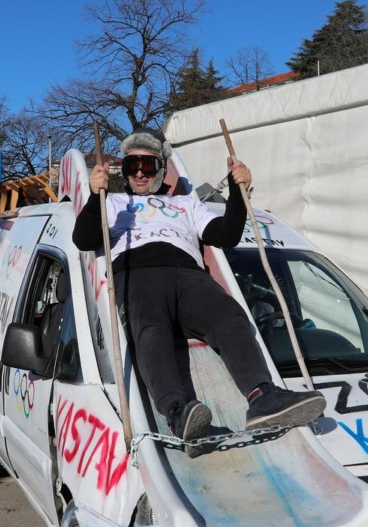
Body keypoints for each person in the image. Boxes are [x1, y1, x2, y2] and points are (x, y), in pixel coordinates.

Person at [72, 129, 325, 456]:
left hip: (188, 274)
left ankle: (262, 397)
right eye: (132, 164)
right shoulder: (114, 202)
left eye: (147, 166)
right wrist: (95, 197)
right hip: (137, 271)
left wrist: (237, 191)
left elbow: (227, 234)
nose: (138, 172)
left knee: (231, 315)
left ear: (159, 169)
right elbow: (84, 240)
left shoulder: (185, 204)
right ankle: (178, 411)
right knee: (151, 328)